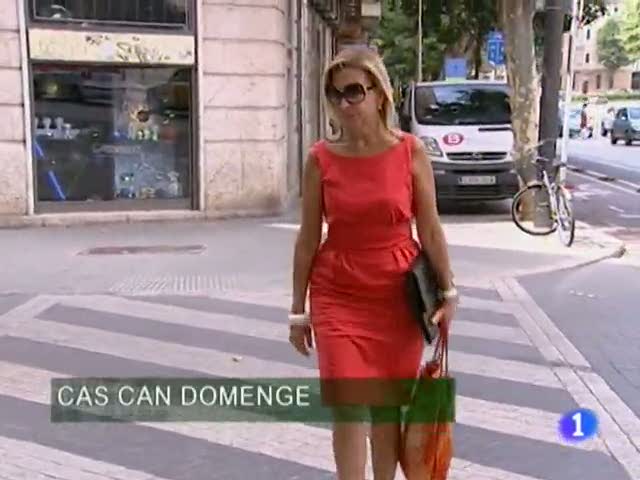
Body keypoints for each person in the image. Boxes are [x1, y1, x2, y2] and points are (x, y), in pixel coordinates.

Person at [288, 46, 458, 480]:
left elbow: (430, 228)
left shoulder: (410, 152)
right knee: (347, 407)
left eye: (353, 92)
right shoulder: (320, 158)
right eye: (335, 94)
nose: (344, 103)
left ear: (379, 93)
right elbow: (307, 239)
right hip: (337, 291)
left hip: (397, 294)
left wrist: (448, 290)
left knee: (387, 410)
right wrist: (297, 310)